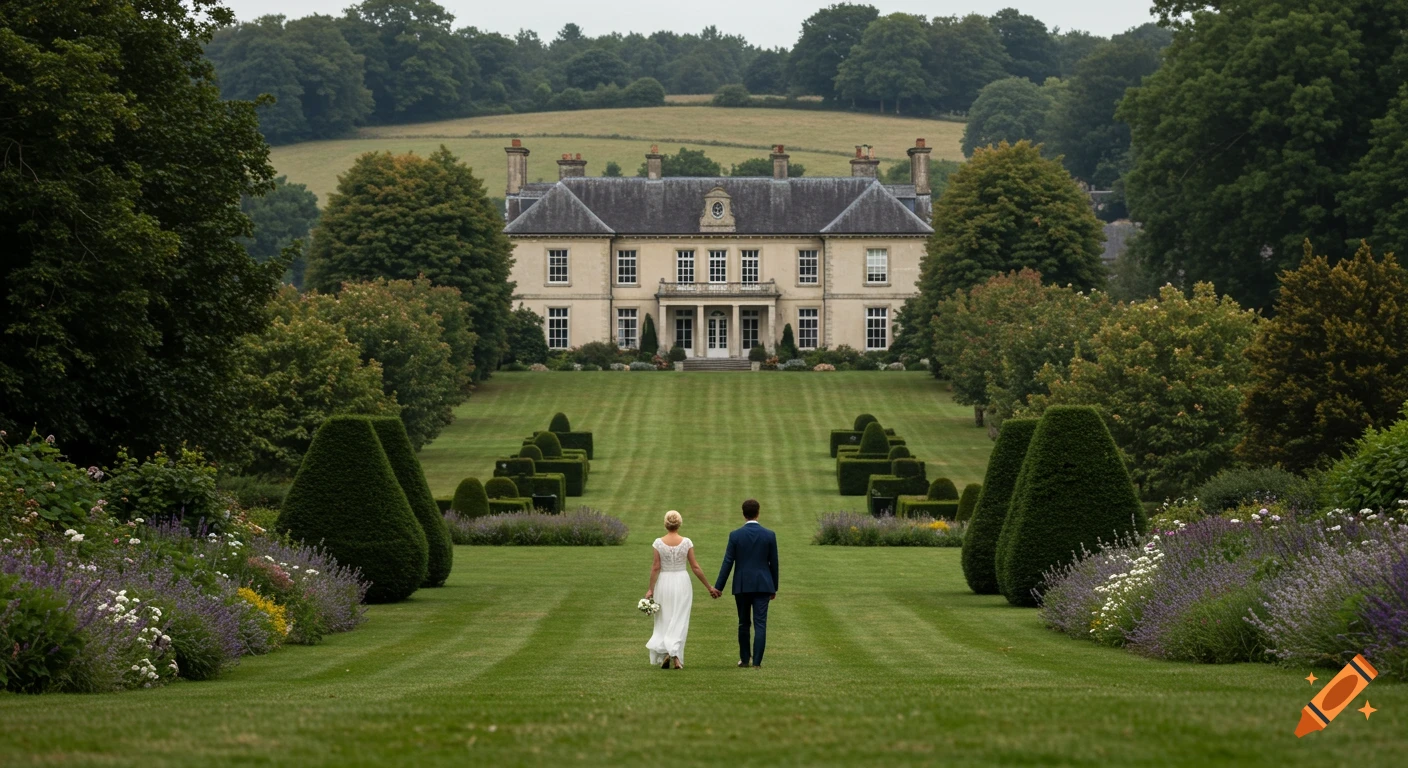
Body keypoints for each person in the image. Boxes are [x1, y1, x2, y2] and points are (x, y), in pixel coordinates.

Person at [645, 510, 720, 669]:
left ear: (666, 524)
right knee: (680, 619)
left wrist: (650, 589)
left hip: (664, 582)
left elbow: (656, 567)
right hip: (681, 582)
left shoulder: (658, 542)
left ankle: (668, 653)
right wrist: (709, 587)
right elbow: (695, 567)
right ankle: (675, 657)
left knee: (665, 618)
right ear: (679, 524)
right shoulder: (686, 542)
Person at [713, 499, 779, 668]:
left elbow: (728, 562)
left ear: (743, 514)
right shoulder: (769, 535)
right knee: (760, 624)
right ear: (758, 512)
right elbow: (774, 563)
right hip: (764, 585)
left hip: (742, 585)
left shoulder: (735, 535)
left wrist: (718, 587)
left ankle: (744, 659)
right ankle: (757, 662)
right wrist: (774, 587)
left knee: (744, 623)